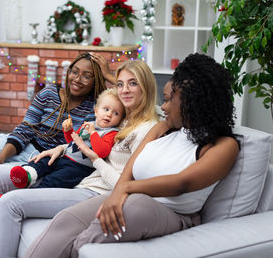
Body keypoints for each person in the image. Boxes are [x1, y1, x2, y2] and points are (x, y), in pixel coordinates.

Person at [23, 53, 240, 258]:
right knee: (65, 220)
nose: (163, 106)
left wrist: (125, 190)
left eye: (169, 99)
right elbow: (130, 167)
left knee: (130, 209)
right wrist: (118, 193)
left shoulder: (223, 146)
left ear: (191, 102)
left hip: (172, 211)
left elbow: (182, 183)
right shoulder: (164, 128)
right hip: (130, 197)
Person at [0, 58, 159, 258]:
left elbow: (126, 184)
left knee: (9, 203)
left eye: (133, 83)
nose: (124, 90)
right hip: (81, 176)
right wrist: (61, 148)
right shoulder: (124, 117)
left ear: (145, 86)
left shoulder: (147, 129)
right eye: (120, 84)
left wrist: (95, 159)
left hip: (95, 191)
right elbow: (93, 138)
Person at [0, 52, 109, 258]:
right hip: (18, 143)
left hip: (42, 160)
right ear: (68, 72)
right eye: (74, 72)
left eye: (87, 76)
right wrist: (2, 157)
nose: (77, 79)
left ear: (96, 81)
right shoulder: (49, 93)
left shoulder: (95, 107)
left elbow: (124, 99)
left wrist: (108, 75)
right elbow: (26, 128)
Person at [4, 88, 125, 192]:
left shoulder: (111, 133)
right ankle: (27, 175)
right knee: (45, 160)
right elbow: (72, 142)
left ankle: (26, 195)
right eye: (106, 109)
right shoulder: (88, 124)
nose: (109, 115)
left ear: (120, 119)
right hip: (65, 157)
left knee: (55, 180)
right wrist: (68, 130)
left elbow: (102, 152)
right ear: (96, 111)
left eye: (116, 113)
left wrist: (93, 133)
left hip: (79, 168)